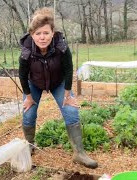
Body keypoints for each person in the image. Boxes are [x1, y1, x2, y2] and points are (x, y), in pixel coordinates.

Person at [18, 7, 98, 169]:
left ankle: (79, 153)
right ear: (32, 35)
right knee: (29, 113)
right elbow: (22, 74)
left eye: (46, 33)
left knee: (71, 112)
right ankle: (30, 146)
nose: (42, 37)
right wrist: (28, 97)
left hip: (58, 82)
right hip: (34, 82)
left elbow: (69, 69)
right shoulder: (26, 51)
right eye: (38, 33)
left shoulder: (61, 47)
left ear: (52, 33)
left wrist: (68, 94)